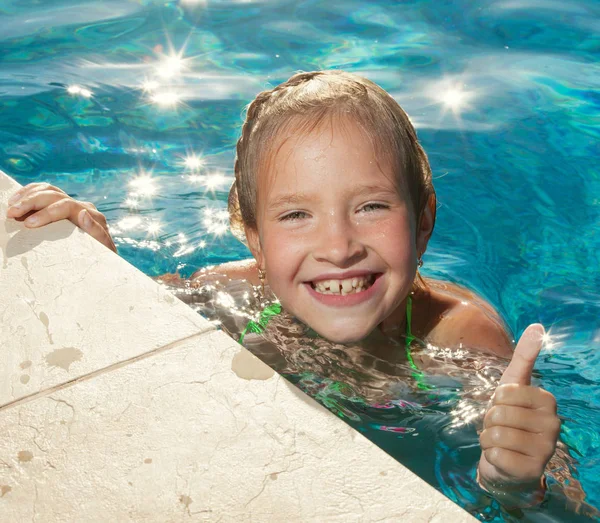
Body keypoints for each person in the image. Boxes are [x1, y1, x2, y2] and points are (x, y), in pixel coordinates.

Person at [5, 70, 560, 508]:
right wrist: (97, 260)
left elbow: (557, 494)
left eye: (370, 206)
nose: (338, 246)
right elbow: (131, 319)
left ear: (422, 222)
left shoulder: (460, 336)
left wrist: (518, 485)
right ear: (253, 238)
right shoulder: (234, 291)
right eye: (296, 214)